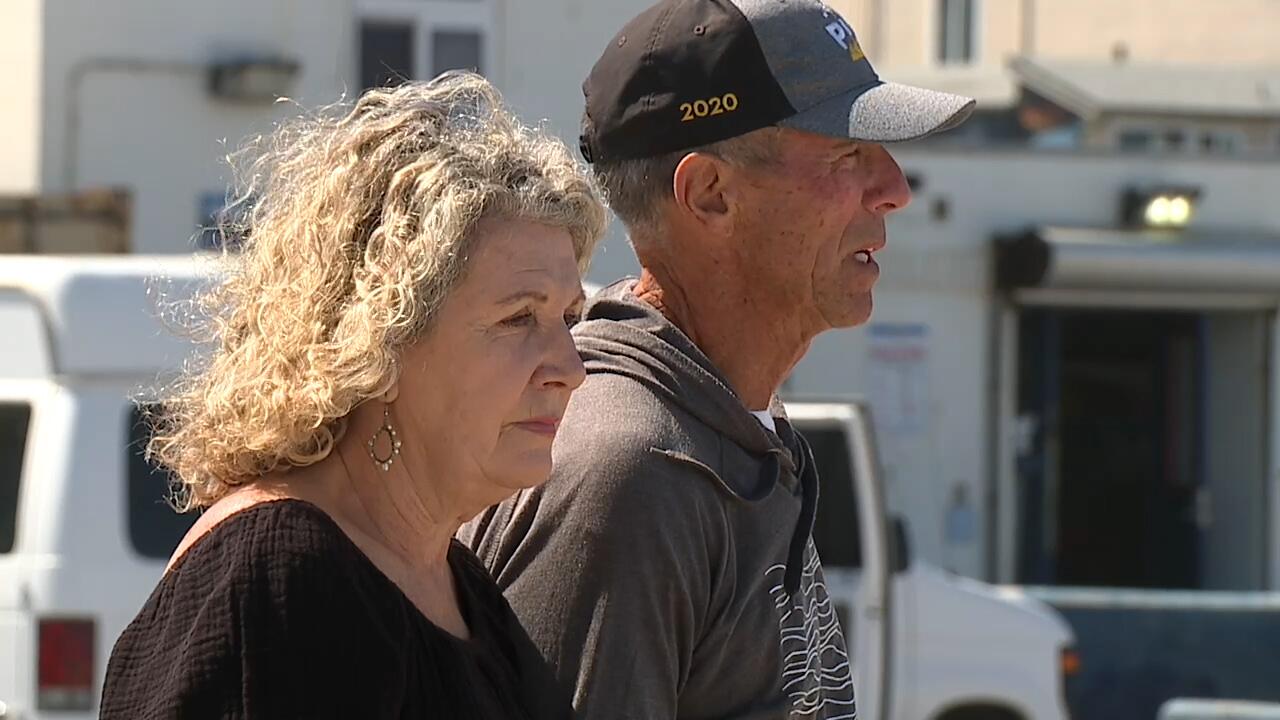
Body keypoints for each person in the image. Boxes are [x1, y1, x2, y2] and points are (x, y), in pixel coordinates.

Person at [459, 1, 976, 717]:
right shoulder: (633, 473)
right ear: (710, 194)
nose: (894, 190)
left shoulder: (725, 430)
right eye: (847, 154)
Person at [100, 72, 606, 720]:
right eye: (518, 319)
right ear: (379, 342)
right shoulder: (277, 575)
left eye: (568, 317)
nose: (569, 367)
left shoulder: (457, 587)